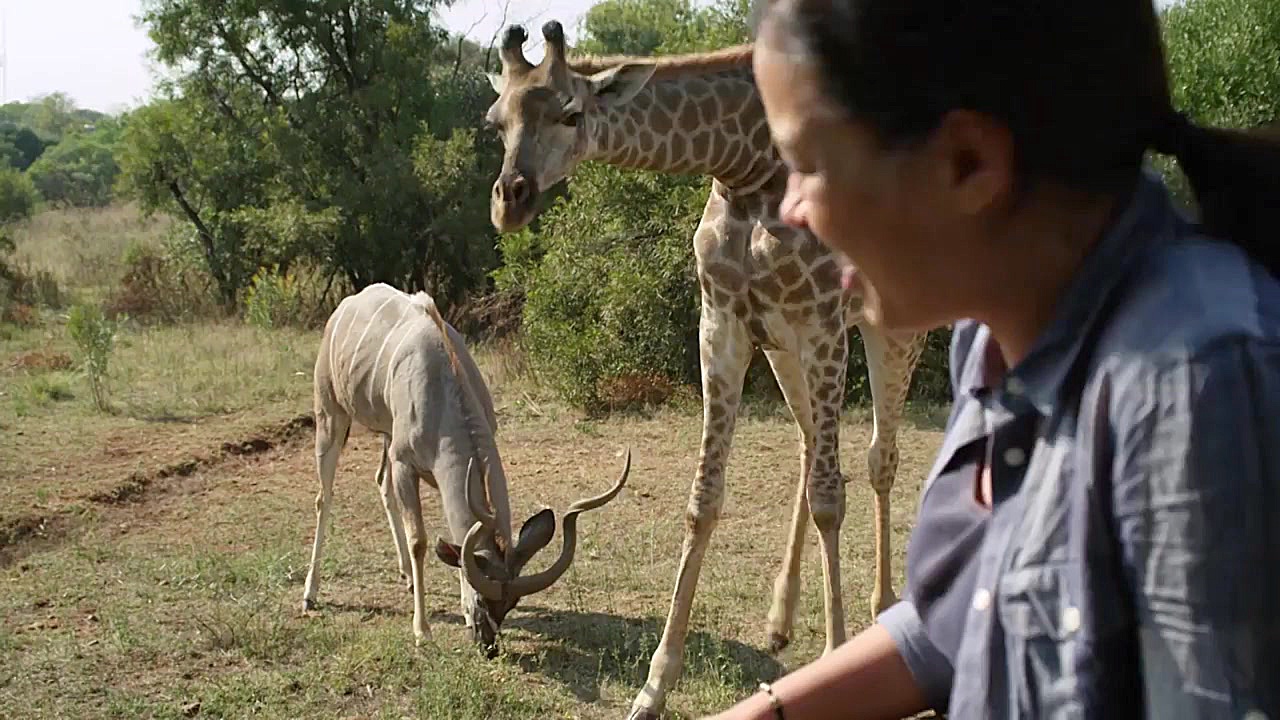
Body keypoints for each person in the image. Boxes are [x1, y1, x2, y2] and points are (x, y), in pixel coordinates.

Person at [702, 0, 1280, 718]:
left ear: (969, 163)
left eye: (806, 165)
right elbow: (966, 621)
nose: (788, 209)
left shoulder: (1195, 391)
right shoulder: (992, 341)